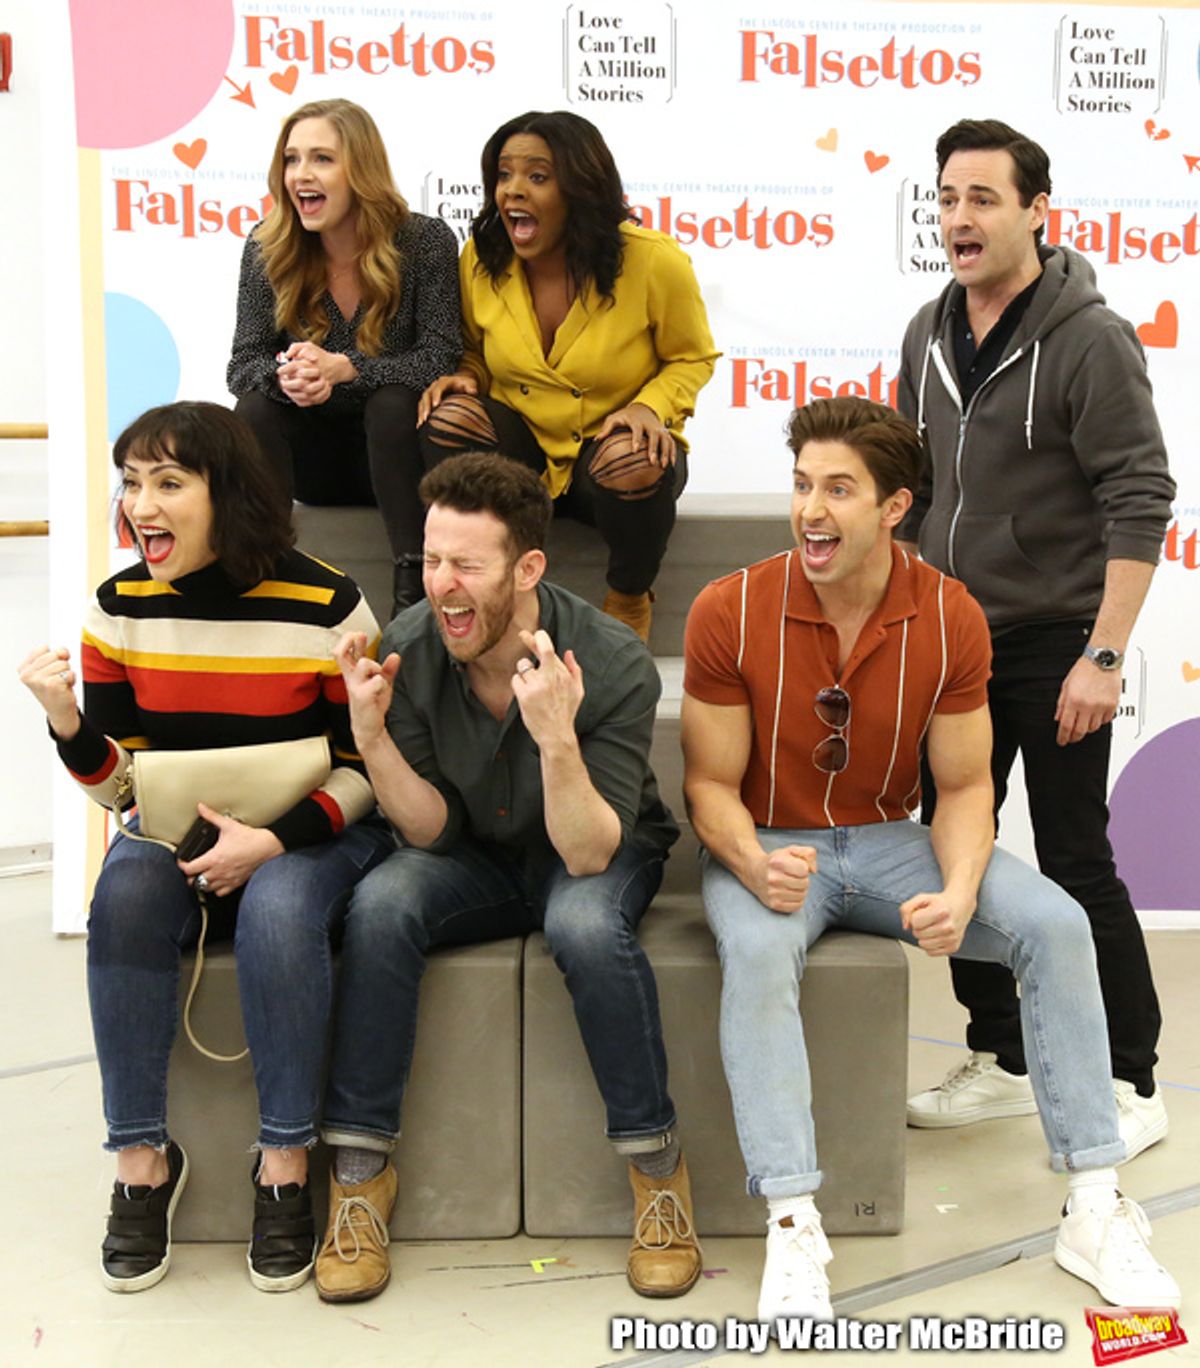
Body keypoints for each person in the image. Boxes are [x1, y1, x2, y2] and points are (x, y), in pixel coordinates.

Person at [681, 396, 1180, 1322]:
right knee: (756, 952)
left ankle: (1095, 1206)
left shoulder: (951, 614)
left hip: (888, 840)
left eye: (838, 490)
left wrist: (957, 890)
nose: (811, 511)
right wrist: (750, 863)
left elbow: (963, 788)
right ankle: (792, 1223)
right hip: (769, 842)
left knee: (1057, 924)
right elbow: (708, 786)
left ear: (895, 507)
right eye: (802, 485)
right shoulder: (729, 607)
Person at [18, 402, 394, 1295]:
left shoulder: (327, 603)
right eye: (132, 483)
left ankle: (285, 1162)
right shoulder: (118, 610)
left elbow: (364, 770)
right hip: (179, 835)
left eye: (169, 483)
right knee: (124, 893)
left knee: (281, 905)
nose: (141, 504)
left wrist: (270, 842)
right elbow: (123, 789)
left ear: (229, 495)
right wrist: (66, 722)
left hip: (312, 832)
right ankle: (141, 1163)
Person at [313, 453, 699, 1304]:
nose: (440, 584)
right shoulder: (409, 646)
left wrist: (556, 736)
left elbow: (589, 854)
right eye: (431, 560)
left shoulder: (613, 658)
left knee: (585, 923)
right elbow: (430, 831)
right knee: (383, 902)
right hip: (476, 853)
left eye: (466, 565)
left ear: (527, 570)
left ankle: (658, 1171)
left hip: (593, 842)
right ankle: (360, 1177)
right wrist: (370, 738)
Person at [897, 119, 1175, 1157]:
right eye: (947, 198)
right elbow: (914, 488)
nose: (958, 218)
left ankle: (1133, 1078)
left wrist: (1101, 657)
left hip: (1056, 640)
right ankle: (1005, 1056)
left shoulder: (1090, 338)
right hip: (951, 642)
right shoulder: (927, 330)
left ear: (1035, 212)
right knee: (948, 846)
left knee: (1072, 855)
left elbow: (1140, 498)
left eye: (982, 198)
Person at [416, 110, 719, 642]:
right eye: (504, 175)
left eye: (537, 176)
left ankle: (629, 596)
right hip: (523, 454)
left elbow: (692, 358)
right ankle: (482, 582)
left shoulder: (653, 261)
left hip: (605, 455)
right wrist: (465, 375)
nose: (514, 190)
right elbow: (474, 350)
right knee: (449, 417)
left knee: (634, 458)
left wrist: (649, 407)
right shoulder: (481, 258)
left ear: (581, 188)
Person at [228, 98, 462, 616]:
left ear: (361, 168)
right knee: (255, 406)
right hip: (316, 462)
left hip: (403, 455)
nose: (301, 175)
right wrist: (288, 376)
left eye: (322, 159)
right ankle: (265, 580)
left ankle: (413, 595)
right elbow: (243, 364)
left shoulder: (424, 241)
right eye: (291, 159)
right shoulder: (267, 245)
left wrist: (348, 369)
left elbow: (442, 357)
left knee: (392, 401)